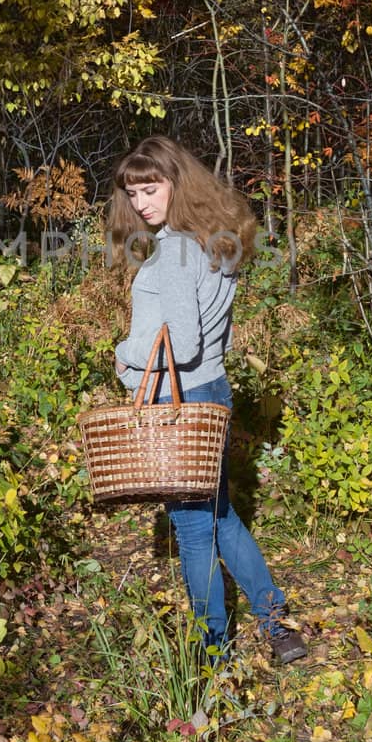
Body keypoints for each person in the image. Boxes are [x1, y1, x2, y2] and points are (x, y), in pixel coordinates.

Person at [106, 135, 309, 666]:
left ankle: (211, 652)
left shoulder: (173, 252)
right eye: (134, 193)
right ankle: (277, 625)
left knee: (194, 533)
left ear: (177, 182)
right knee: (220, 517)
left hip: (178, 400)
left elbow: (185, 341)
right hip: (211, 391)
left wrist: (124, 352)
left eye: (151, 189)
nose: (142, 203)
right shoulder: (216, 240)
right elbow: (215, 337)